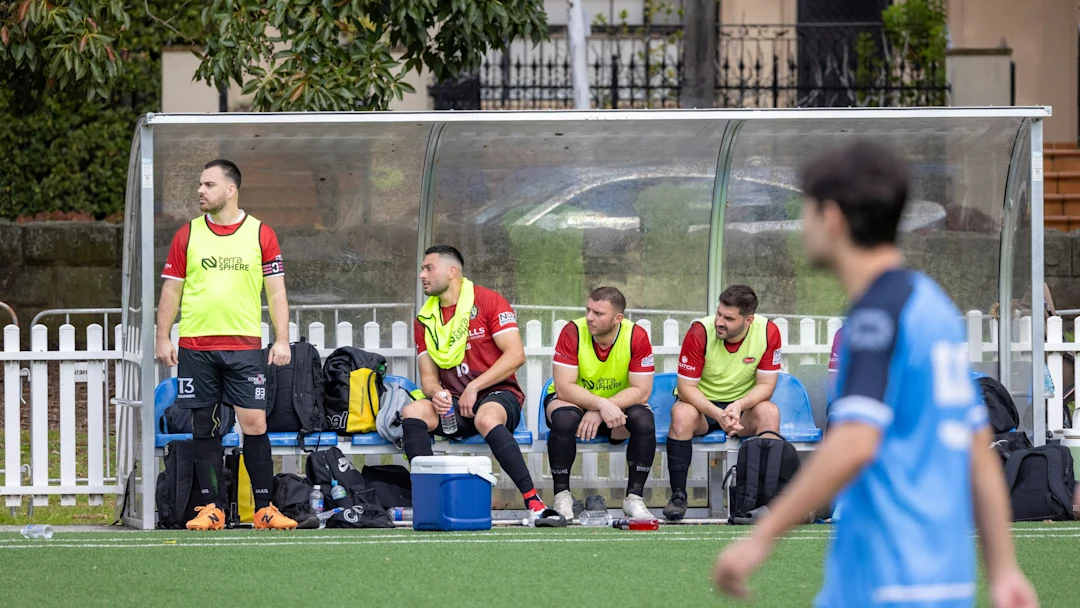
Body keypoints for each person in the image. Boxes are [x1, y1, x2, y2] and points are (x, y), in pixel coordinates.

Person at [713, 140, 1038, 608]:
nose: (801, 228)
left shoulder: (875, 316)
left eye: (804, 212)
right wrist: (1003, 570)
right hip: (942, 577)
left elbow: (854, 441)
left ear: (832, 219)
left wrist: (762, 536)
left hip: (884, 576)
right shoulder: (930, 305)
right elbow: (977, 451)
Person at [156, 159, 297, 530]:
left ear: (230, 190)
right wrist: (162, 335)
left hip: (245, 347)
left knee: (254, 422)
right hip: (196, 347)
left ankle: (264, 510)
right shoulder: (187, 235)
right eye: (200, 185)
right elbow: (171, 288)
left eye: (209, 185)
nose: (200, 191)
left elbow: (276, 290)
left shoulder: (260, 233)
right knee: (205, 425)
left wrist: (281, 339)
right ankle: (212, 508)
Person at [402, 245, 559, 524]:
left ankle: (534, 502)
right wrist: (437, 394)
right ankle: (429, 502)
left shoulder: (488, 301)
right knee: (413, 412)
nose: (421, 275)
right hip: (455, 402)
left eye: (428, 268)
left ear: (452, 272)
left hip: (498, 394)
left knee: (486, 417)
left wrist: (474, 387)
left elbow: (515, 355)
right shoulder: (425, 320)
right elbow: (428, 378)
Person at [663, 284, 782, 521]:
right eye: (719, 313)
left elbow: (767, 386)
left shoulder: (769, 332)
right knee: (682, 415)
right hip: (701, 406)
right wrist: (717, 414)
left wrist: (738, 406)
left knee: (770, 412)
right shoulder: (699, 331)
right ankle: (678, 496)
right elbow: (686, 388)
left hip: (742, 409)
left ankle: (765, 500)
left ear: (748, 320)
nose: (719, 321)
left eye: (728, 318)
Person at [546, 287, 656, 521]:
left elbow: (642, 391)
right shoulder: (572, 331)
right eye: (588, 310)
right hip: (573, 401)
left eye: (598, 313)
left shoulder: (636, 336)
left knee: (644, 419)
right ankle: (561, 495)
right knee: (564, 417)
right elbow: (564, 387)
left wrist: (601, 408)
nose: (589, 317)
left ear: (618, 318)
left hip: (617, 411)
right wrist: (599, 405)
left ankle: (634, 499)